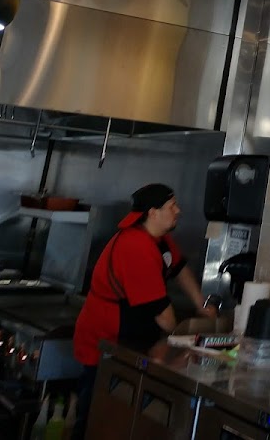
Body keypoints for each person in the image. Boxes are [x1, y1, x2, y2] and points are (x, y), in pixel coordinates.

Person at [71, 184, 215, 440]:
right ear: (152, 212)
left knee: (123, 415)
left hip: (134, 333)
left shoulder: (159, 239)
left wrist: (201, 305)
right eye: (172, 206)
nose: (179, 211)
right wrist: (185, 343)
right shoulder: (137, 247)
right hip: (108, 336)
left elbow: (179, 269)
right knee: (97, 411)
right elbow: (164, 317)